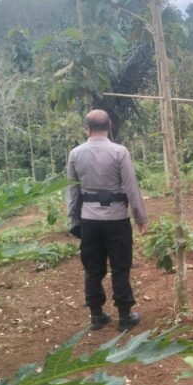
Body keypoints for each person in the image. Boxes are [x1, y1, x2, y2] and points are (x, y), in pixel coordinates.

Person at [67, 109, 149, 332]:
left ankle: (96, 315)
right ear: (110, 126)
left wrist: (73, 219)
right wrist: (141, 216)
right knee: (120, 266)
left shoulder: (75, 154)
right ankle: (124, 317)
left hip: (89, 220)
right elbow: (131, 187)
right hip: (116, 219)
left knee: (92, 268)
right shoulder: (119, 152)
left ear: (87, 128)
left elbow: (72, 191)